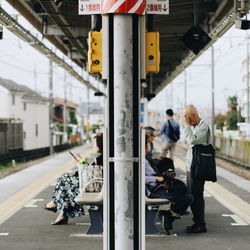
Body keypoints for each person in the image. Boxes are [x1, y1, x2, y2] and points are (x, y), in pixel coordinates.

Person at [42, 133, 103, 225]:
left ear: (100, 145)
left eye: (95, 143)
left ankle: (55, 204)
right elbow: (90, 169)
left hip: (93, 187)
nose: (93, 145)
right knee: (66, 183)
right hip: (95, 184)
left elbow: (88, 173)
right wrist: (82, 161)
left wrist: (78, 164)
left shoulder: (101, 159)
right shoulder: (102, 158)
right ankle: (61, 214)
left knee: (65, 181)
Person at [145, 134, 193, 234]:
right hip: (152, 189)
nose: (150, 145)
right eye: (149, 143)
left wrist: (157, 162)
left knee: (185, 193)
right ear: (145, 146)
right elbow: (138, 177)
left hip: (154, 186)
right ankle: (169, 216)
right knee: (187, 196)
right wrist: (157, 178)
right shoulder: (140, 160)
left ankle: (168, 215)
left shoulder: (143, 158)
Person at [183, 104, 210, 233]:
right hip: (192, 166)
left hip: (198, 167)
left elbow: (191, 141)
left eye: (189, 118)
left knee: (197, 196)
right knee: (192, 195)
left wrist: (187, 126)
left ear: (194, 116)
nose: (188, 121)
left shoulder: (203, 127)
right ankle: (197, 222)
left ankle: (201, 224)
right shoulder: (195, 126)